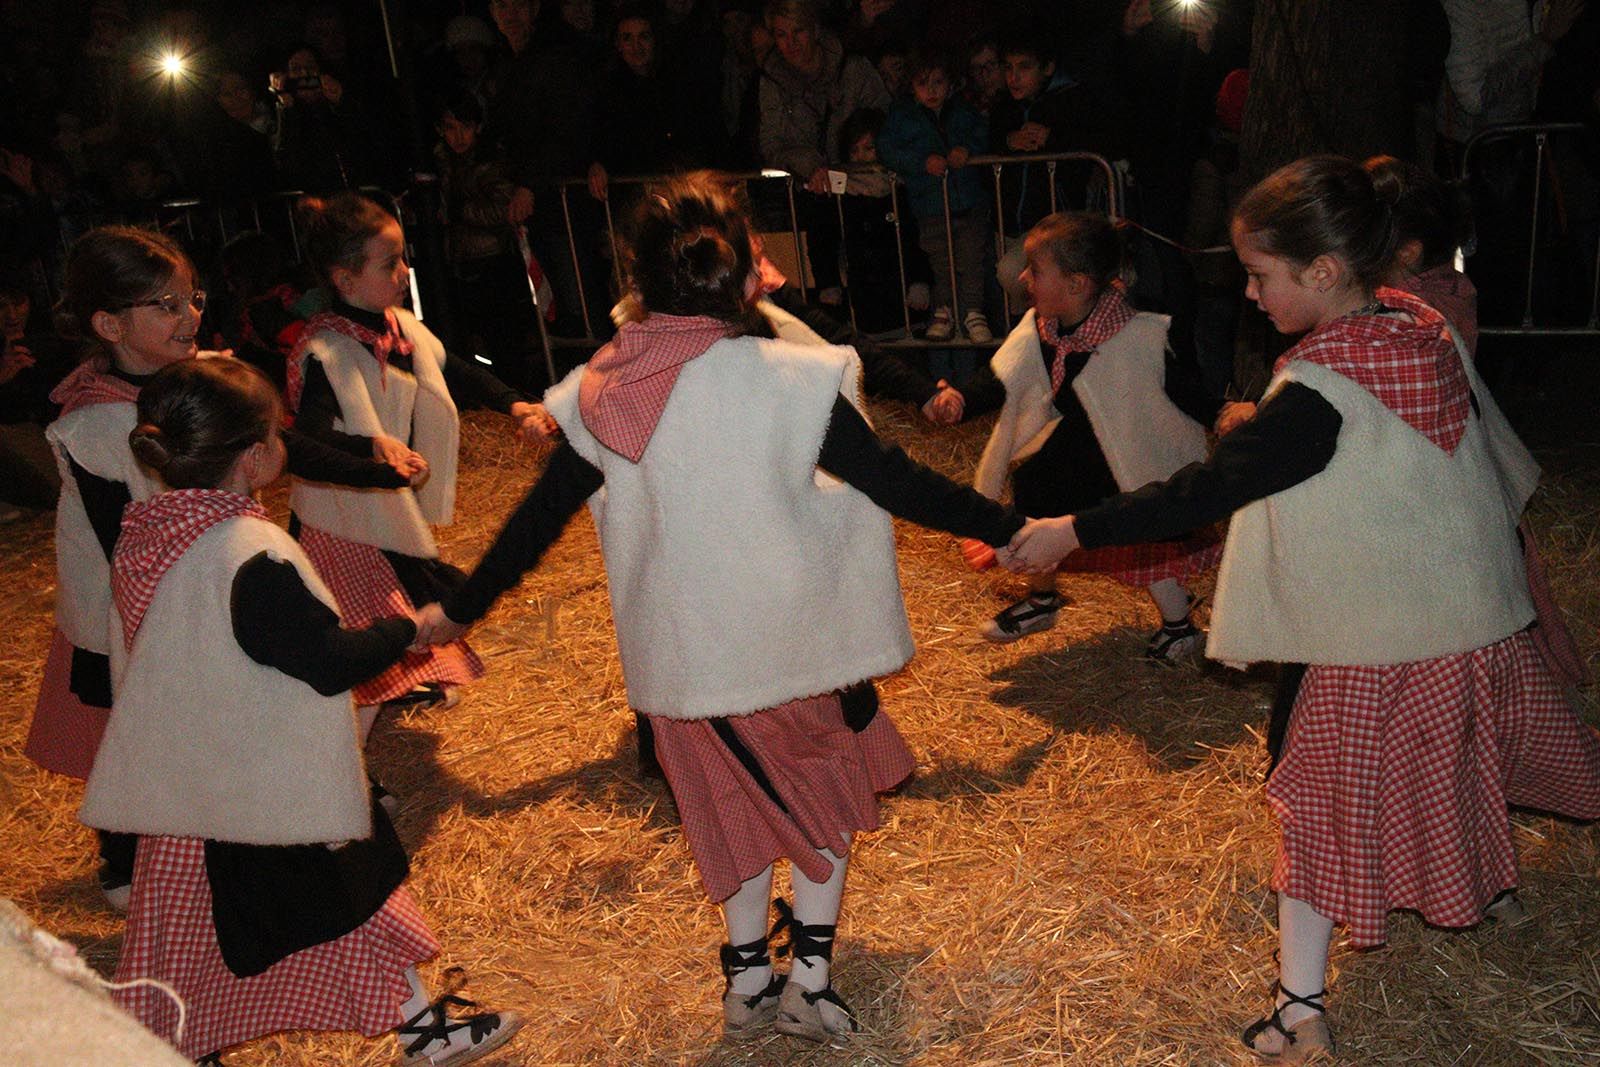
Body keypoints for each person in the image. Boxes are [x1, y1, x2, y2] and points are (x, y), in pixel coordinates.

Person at [1003, 155, 1600, 1062]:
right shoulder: (1420, 329)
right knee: (1457, 755)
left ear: (1324, 271)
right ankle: (1487, 885)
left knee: (1315, 802)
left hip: (1378, 639)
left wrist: (1072, 530)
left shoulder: (1322, 389)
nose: (1247, 293)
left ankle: (1297, 1009)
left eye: (1260, 274)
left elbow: (1204, 488)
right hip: (1471, 620)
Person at [411, 172, 1024, 1042]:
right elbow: (897, 480)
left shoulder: (603, 389)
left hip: (685, 666)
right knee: (828, 802)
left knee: (729, 816)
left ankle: (745, 985)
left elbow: (534, 522)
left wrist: (464, 608)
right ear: (742, 274)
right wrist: (1010, 526)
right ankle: (808, 977)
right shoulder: (794, 379)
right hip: (792, 648)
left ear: (639, 279)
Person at [80, 357, 522, 1066]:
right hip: (263, 780)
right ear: (256, 457)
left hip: (192, 780)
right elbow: (326, 663)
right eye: (278, 433)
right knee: (354, 887)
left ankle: (404, 1026)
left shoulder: (150, 529)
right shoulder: (247, 554)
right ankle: (419, 1030)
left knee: (193, 933)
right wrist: (408, 627)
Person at [25, 225, 409, 911]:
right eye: (165, 306)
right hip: (130, 609)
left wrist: (373, 468)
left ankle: (301, 801)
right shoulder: (95, 428)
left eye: (190, 298)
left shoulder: (197, 379)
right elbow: (124, 544)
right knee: (137, 726)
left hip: (215, 587)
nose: (189, 316)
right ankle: (123, 858)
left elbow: (279, 444)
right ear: (109, 323)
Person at [287, 193, 545, 740]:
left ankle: (355, 750)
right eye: (390, 263)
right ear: (345, 279)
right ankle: (343, 773)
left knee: (400, 622)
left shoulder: (400, 328)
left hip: (383, 513)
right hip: (342, 526)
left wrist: (514, 403)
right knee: (367, 639)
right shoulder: (326, 352)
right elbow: (307, 441)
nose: (405, 272)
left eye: (402, 258)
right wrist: (370, 449)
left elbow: (457, 369)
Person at [970, 211, 1217, 655]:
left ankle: (1179, 626)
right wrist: (961, 401)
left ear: (1077, 285)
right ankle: (1043, 599)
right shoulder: (1039, 329)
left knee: (1144, 536)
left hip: (1121, 457)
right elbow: (1002, 378)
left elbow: (1181, 388)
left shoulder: (1135, 337)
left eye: (1036, 270)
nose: (1024, 278)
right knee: (1032, 507)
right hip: (1068, 451)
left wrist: (1221, 412)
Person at [758, 0, 890, 306]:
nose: (790, 43)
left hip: (861, 182)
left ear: (815, 30)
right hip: (813, 188)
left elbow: (883, 119)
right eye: (781, 34)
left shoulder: (853, 70)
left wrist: (855, 156)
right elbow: (772, 143)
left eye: (798, 32)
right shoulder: (772, 81)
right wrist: (811, 166)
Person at [878, 47, 992, 343]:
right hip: (929, 206)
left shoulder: (964, 112)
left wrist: (966, 150)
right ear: (912, 86)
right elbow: (888, 150)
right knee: (940, 262)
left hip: (967, 202)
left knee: (970, 260)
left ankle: (972, 311)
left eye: (938, 82)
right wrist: (921, 162)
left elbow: (983, 134)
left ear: (950, 84)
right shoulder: (903, 117)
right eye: (922, 83)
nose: (931, 91)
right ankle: (946, 309)